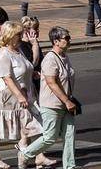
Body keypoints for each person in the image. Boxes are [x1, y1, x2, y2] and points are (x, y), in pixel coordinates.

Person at [19, 27, 78, 169]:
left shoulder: (64, 56)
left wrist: (69, 100)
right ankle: (26, 154)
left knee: (69, 136)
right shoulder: (50, 59)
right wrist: (67, 101)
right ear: (56, 41)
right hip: (52, 105)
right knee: (50, 137)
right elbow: (52, 83)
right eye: (67, 38)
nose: (69, 41)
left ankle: (70, 166)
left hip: (67, 103)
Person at [0, 22, 44, 169]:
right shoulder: (3, 54)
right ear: (10, 36)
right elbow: (7, 78)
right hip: (8, 97)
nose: (21, 37)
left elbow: (26, 66)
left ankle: (25, 152)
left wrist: (33, 73)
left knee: (30, 124)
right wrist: (19, 96)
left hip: (25, 94)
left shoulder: (18, 50)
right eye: (18, 34)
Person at [21, 16, 44, 98]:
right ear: (26, 30)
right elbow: (33, 63)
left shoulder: (32, 42)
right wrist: (34, 44)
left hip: (37, 82)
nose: (38, 31)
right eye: (36, 28)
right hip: (29, 86)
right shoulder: (22, 45)